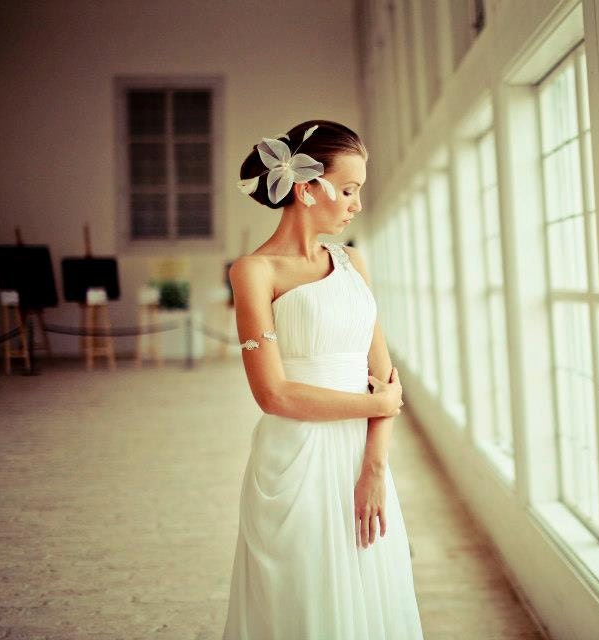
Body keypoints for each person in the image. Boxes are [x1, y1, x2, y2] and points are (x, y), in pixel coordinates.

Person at [222, 120, 425, 639]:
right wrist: (378, 406)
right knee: (307, 606)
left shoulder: (353, 261)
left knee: (371, 595)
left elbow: (385, 376)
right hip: (296, 459)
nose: (357, 204)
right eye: (350, 189)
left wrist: (375, 468)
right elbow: (273, 394)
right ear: (306, 187)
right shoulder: (254, 272)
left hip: (362, 458)